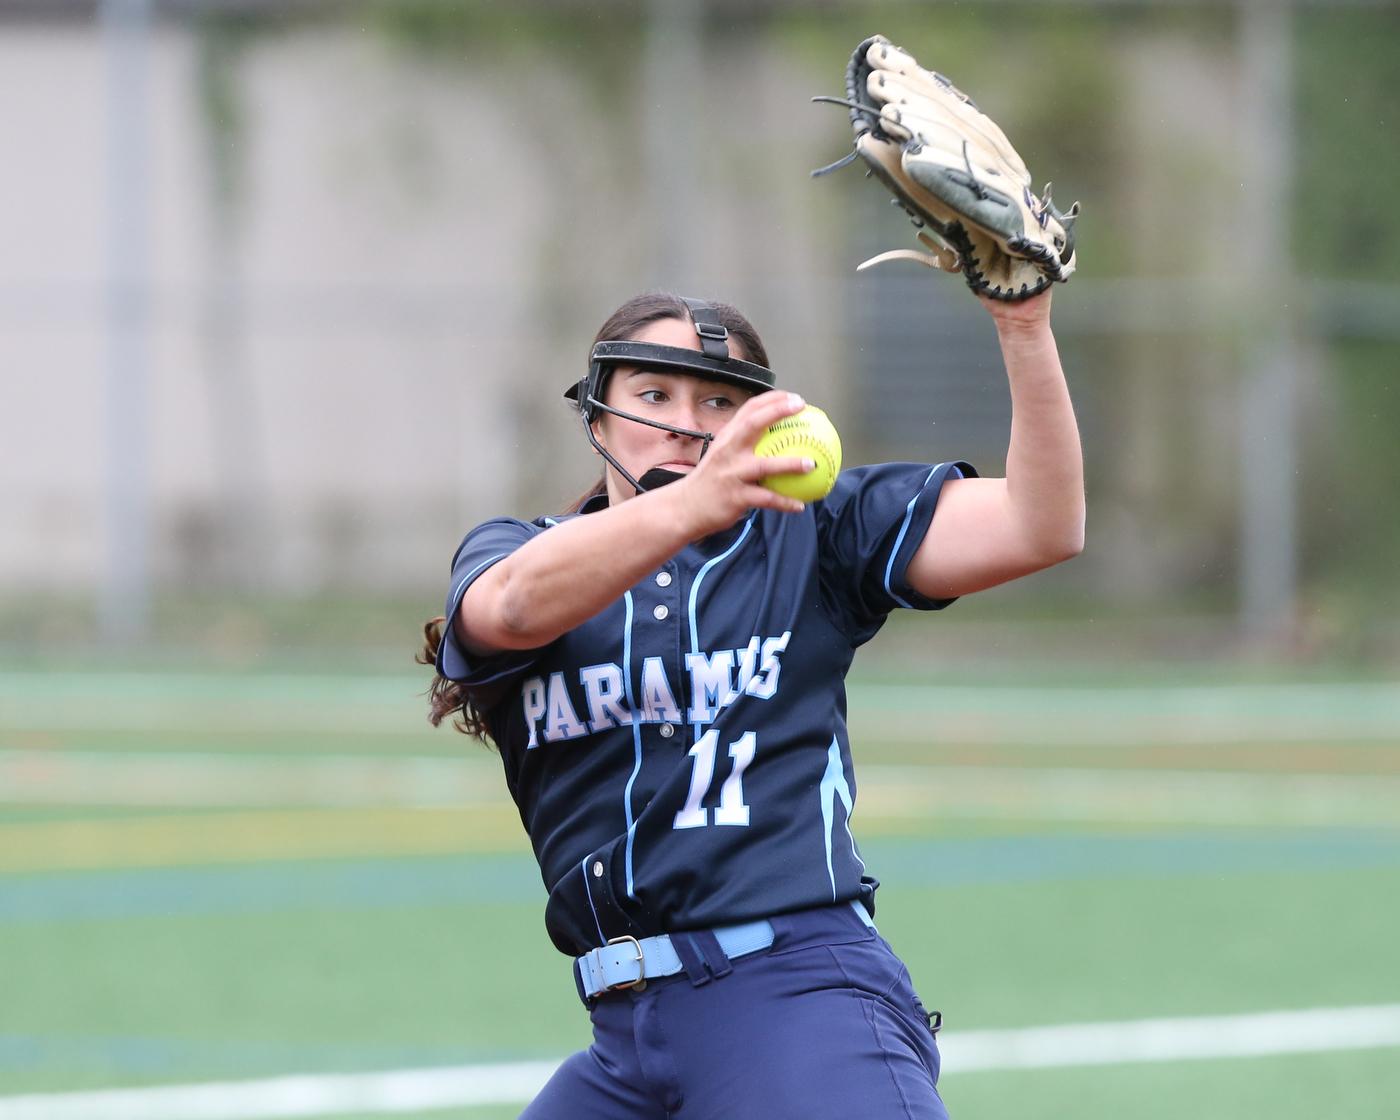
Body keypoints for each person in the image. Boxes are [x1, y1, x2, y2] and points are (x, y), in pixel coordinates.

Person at [420, 290, 1083, 1120]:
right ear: (597, 415)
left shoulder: (811, 532)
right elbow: (508, 610)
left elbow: (1040, 525)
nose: (686, 424)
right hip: (623, 1040)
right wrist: (691, 504)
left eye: (719, 402)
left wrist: (1024, 330)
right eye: (654, 396)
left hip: (798, 997)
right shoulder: (519, 550)